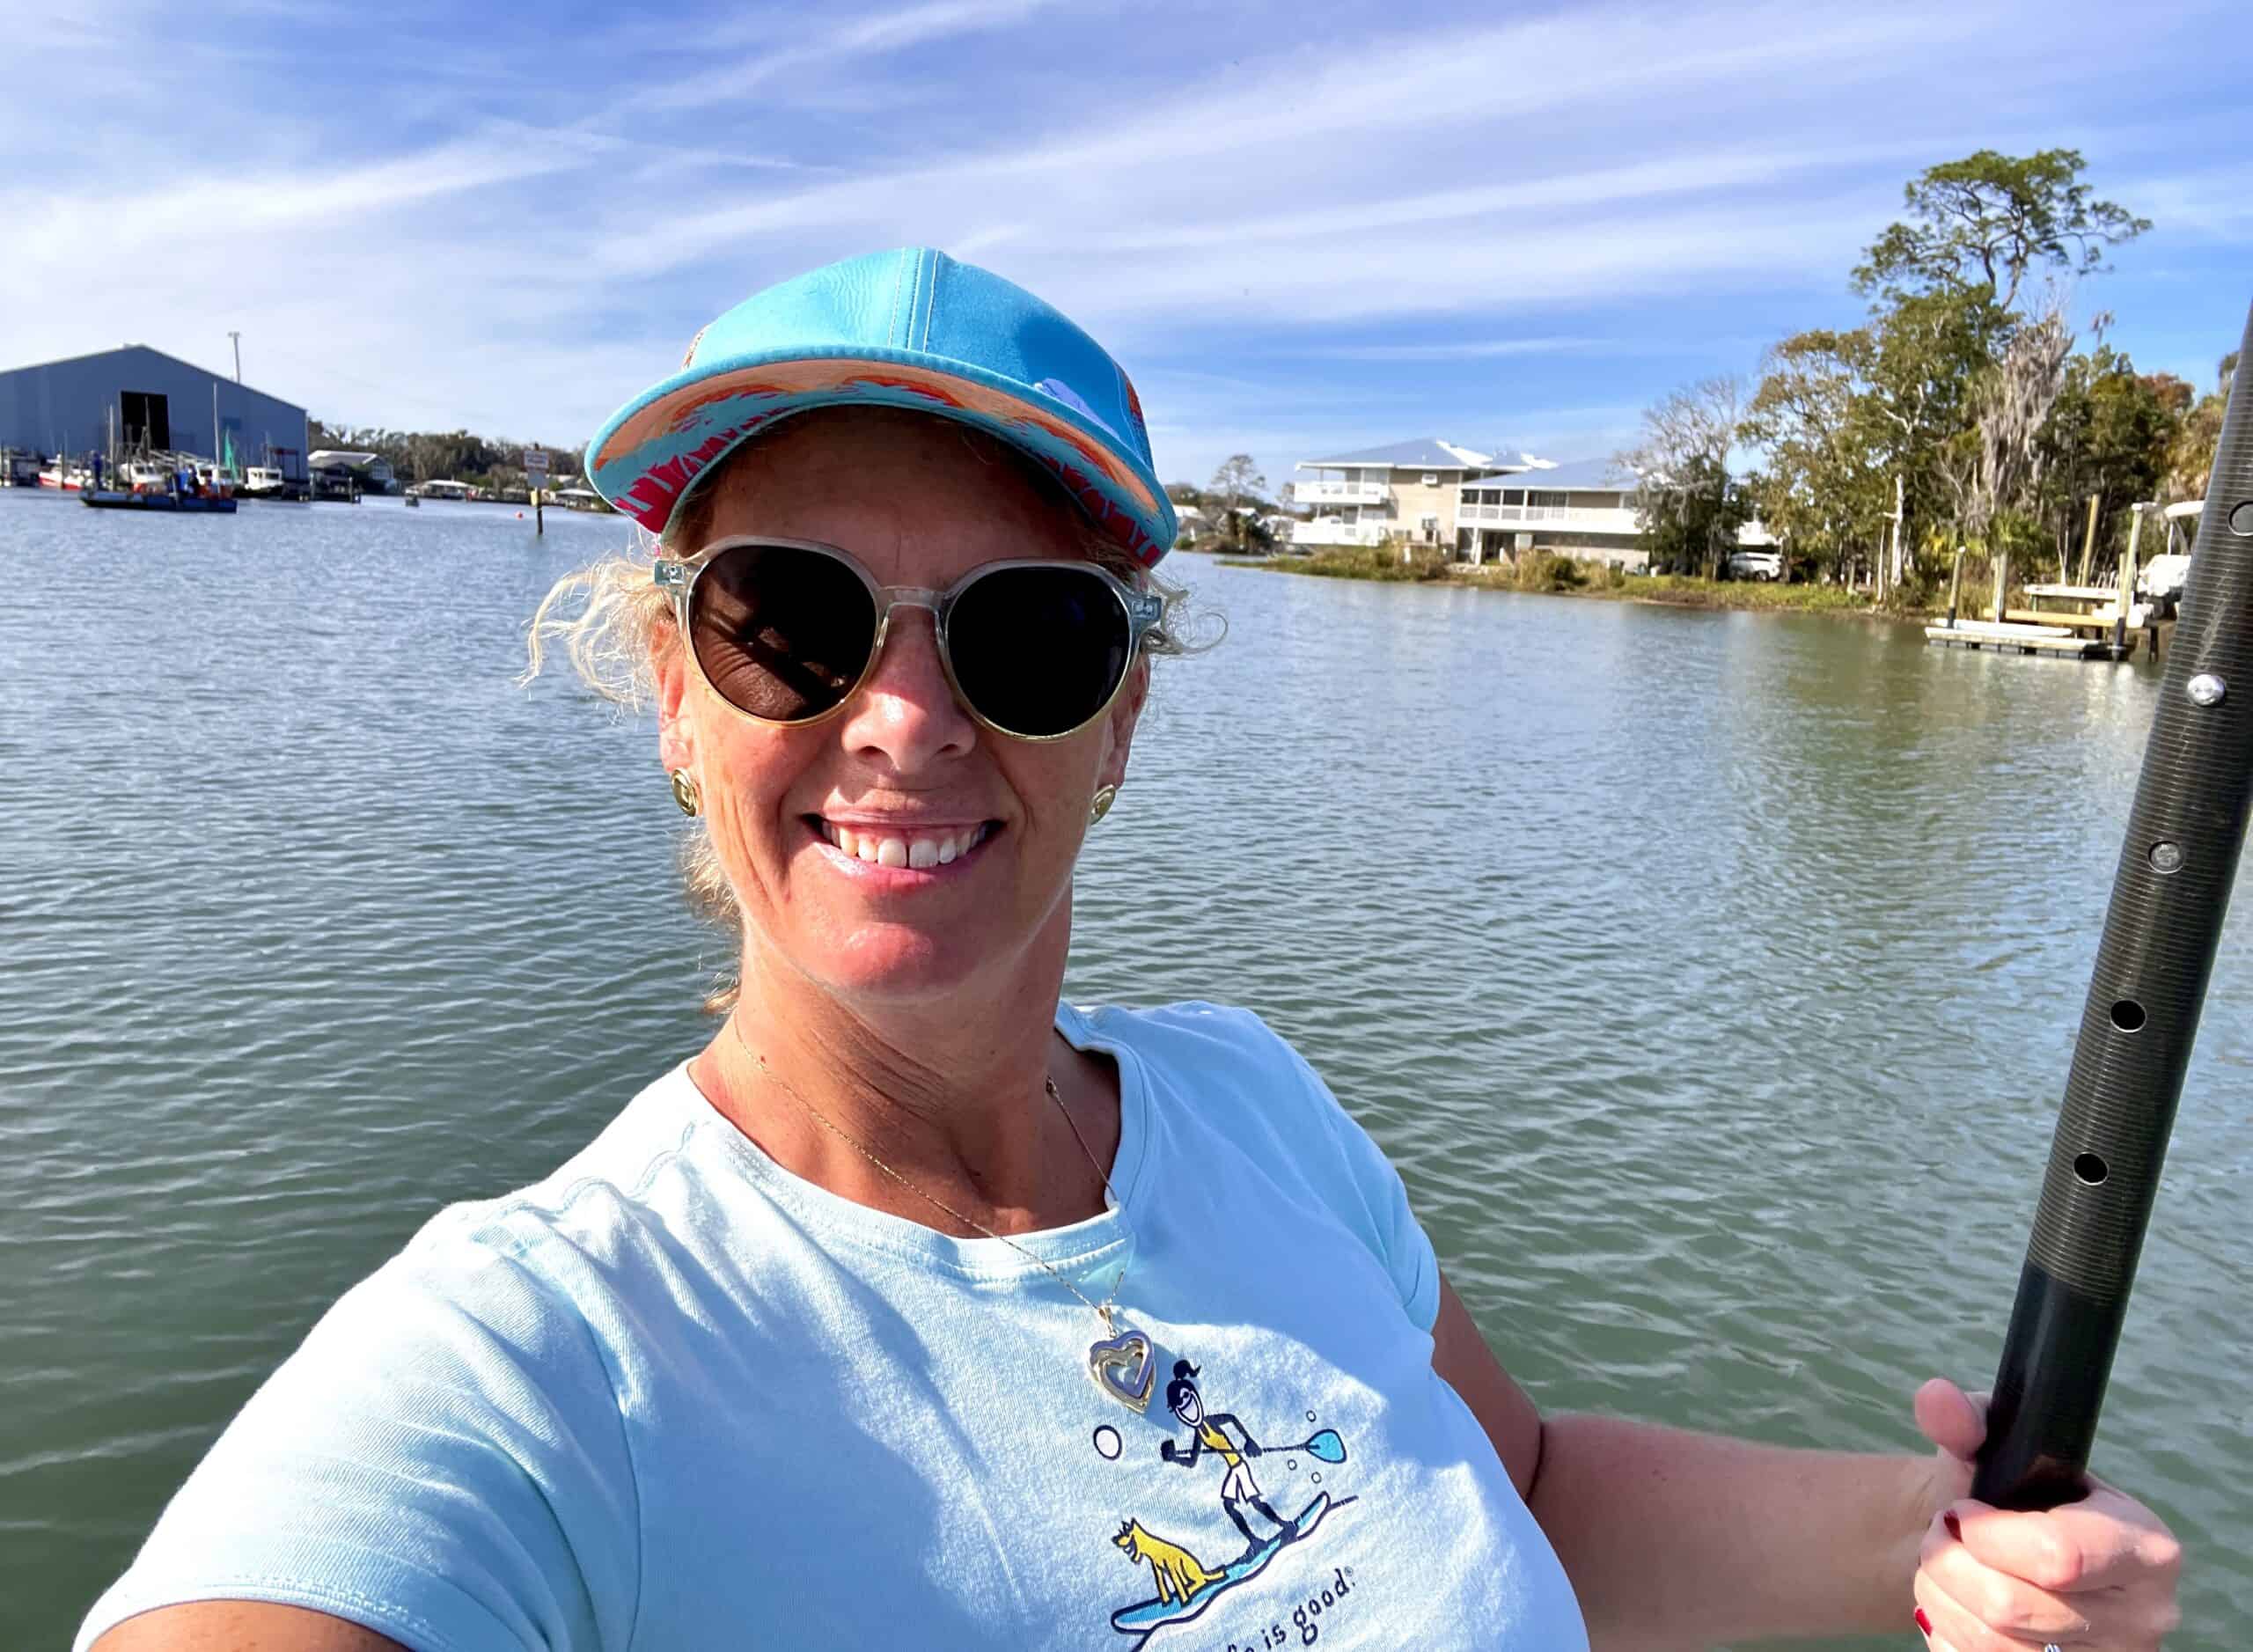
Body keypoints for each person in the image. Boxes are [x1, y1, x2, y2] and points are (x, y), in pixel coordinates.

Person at [79, 249, 2182, 1651]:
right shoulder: (536, 1359)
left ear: (1121, 718)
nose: (904, 717)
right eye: (791, 620)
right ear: (671, 690)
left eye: (1025, 634)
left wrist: (1933, 1533)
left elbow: (1528, 1491)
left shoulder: (1250, 1100)